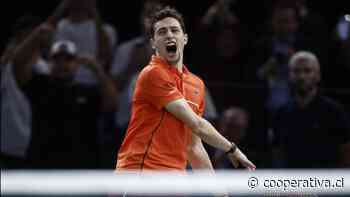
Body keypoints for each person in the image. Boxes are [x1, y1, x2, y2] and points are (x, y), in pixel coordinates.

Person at [115, 7, 255, 172]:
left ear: (185, 39)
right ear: (153, 43)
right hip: (140, 174)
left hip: (175, 179)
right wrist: (232, 149)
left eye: (174, 30)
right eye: (162, 32)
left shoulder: (196, 84)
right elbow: (197, 124)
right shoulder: (152, 74)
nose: (169, 35)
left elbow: (194, 147)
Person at [271, 51, 350, 168]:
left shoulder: (334, 112)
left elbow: (346, 152)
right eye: (296, 71)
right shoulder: (281, 113)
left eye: (307, 71)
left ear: (318, 75)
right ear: (289, 76)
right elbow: (277, 153)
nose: (301, 76)